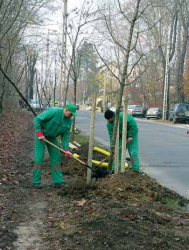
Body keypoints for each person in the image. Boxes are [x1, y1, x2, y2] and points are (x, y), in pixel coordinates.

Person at [32, 104, 77, 188]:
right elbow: (37, 119)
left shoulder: (69, 120)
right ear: (66, 110)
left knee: (56, 157)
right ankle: (36, 181)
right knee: (39, 157)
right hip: (41, 136)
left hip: (52, 138)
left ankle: (58, 181)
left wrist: (66, 149)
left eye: (72, 115)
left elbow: (65, 136)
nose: (71, 116)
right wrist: (39, 132)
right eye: (71, 114)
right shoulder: (54, 111)